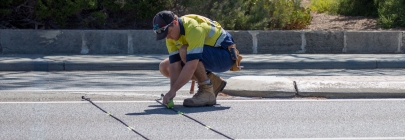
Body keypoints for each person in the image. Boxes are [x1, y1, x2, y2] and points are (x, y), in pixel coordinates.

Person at [153, 10, 241, 107]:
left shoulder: (193, 28)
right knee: (165, 66)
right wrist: (172, 93)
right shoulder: (170, 37)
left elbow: (191, 66)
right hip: (208, 56)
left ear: (175, 23)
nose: (168, 37)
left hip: (225, 57)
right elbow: (174, 65)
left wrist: (173, 91)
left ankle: (207, 91)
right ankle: (213, 83)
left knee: (185, 51)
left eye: (168, 32)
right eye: (164, 35)